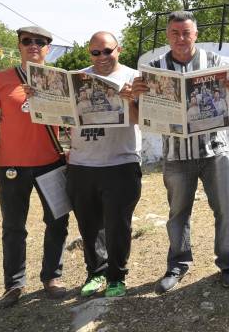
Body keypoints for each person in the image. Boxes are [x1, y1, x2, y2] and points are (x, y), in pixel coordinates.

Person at [132, 11, 229, 292]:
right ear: (168, 35)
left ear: (195, 34)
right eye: (175, 33)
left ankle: (228, 264)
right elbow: (142, 114)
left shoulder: (215, 63)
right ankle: (178, 264)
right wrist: (137, 96)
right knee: (178, 212)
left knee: (226, 209)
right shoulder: (154, 68)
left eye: (186, 33)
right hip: (176, 154)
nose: (181, 39)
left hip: (214, 150)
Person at [0, 26, 69, 307]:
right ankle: (13, 284)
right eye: (27, 41)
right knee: (14, 227)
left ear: (48, 48)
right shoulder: (1, 80)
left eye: (40, 42)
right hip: (12, 165)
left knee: (57, 222)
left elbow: (72, 119)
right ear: (19, 45)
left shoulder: (58, 80)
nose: (33, 46)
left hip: (51, 162)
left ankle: (52, 277)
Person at [66, 31, 141, 298]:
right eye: (95, 53)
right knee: (88, 225)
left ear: (118, 50)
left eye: (107, 51)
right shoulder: (76, 78)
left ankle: (117, 277)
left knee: (118, 224)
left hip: (120, 161)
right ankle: (96, 273)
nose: (101, 57)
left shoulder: (133, 77)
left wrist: (129, 99)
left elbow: (141, 120)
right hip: (81, 163)